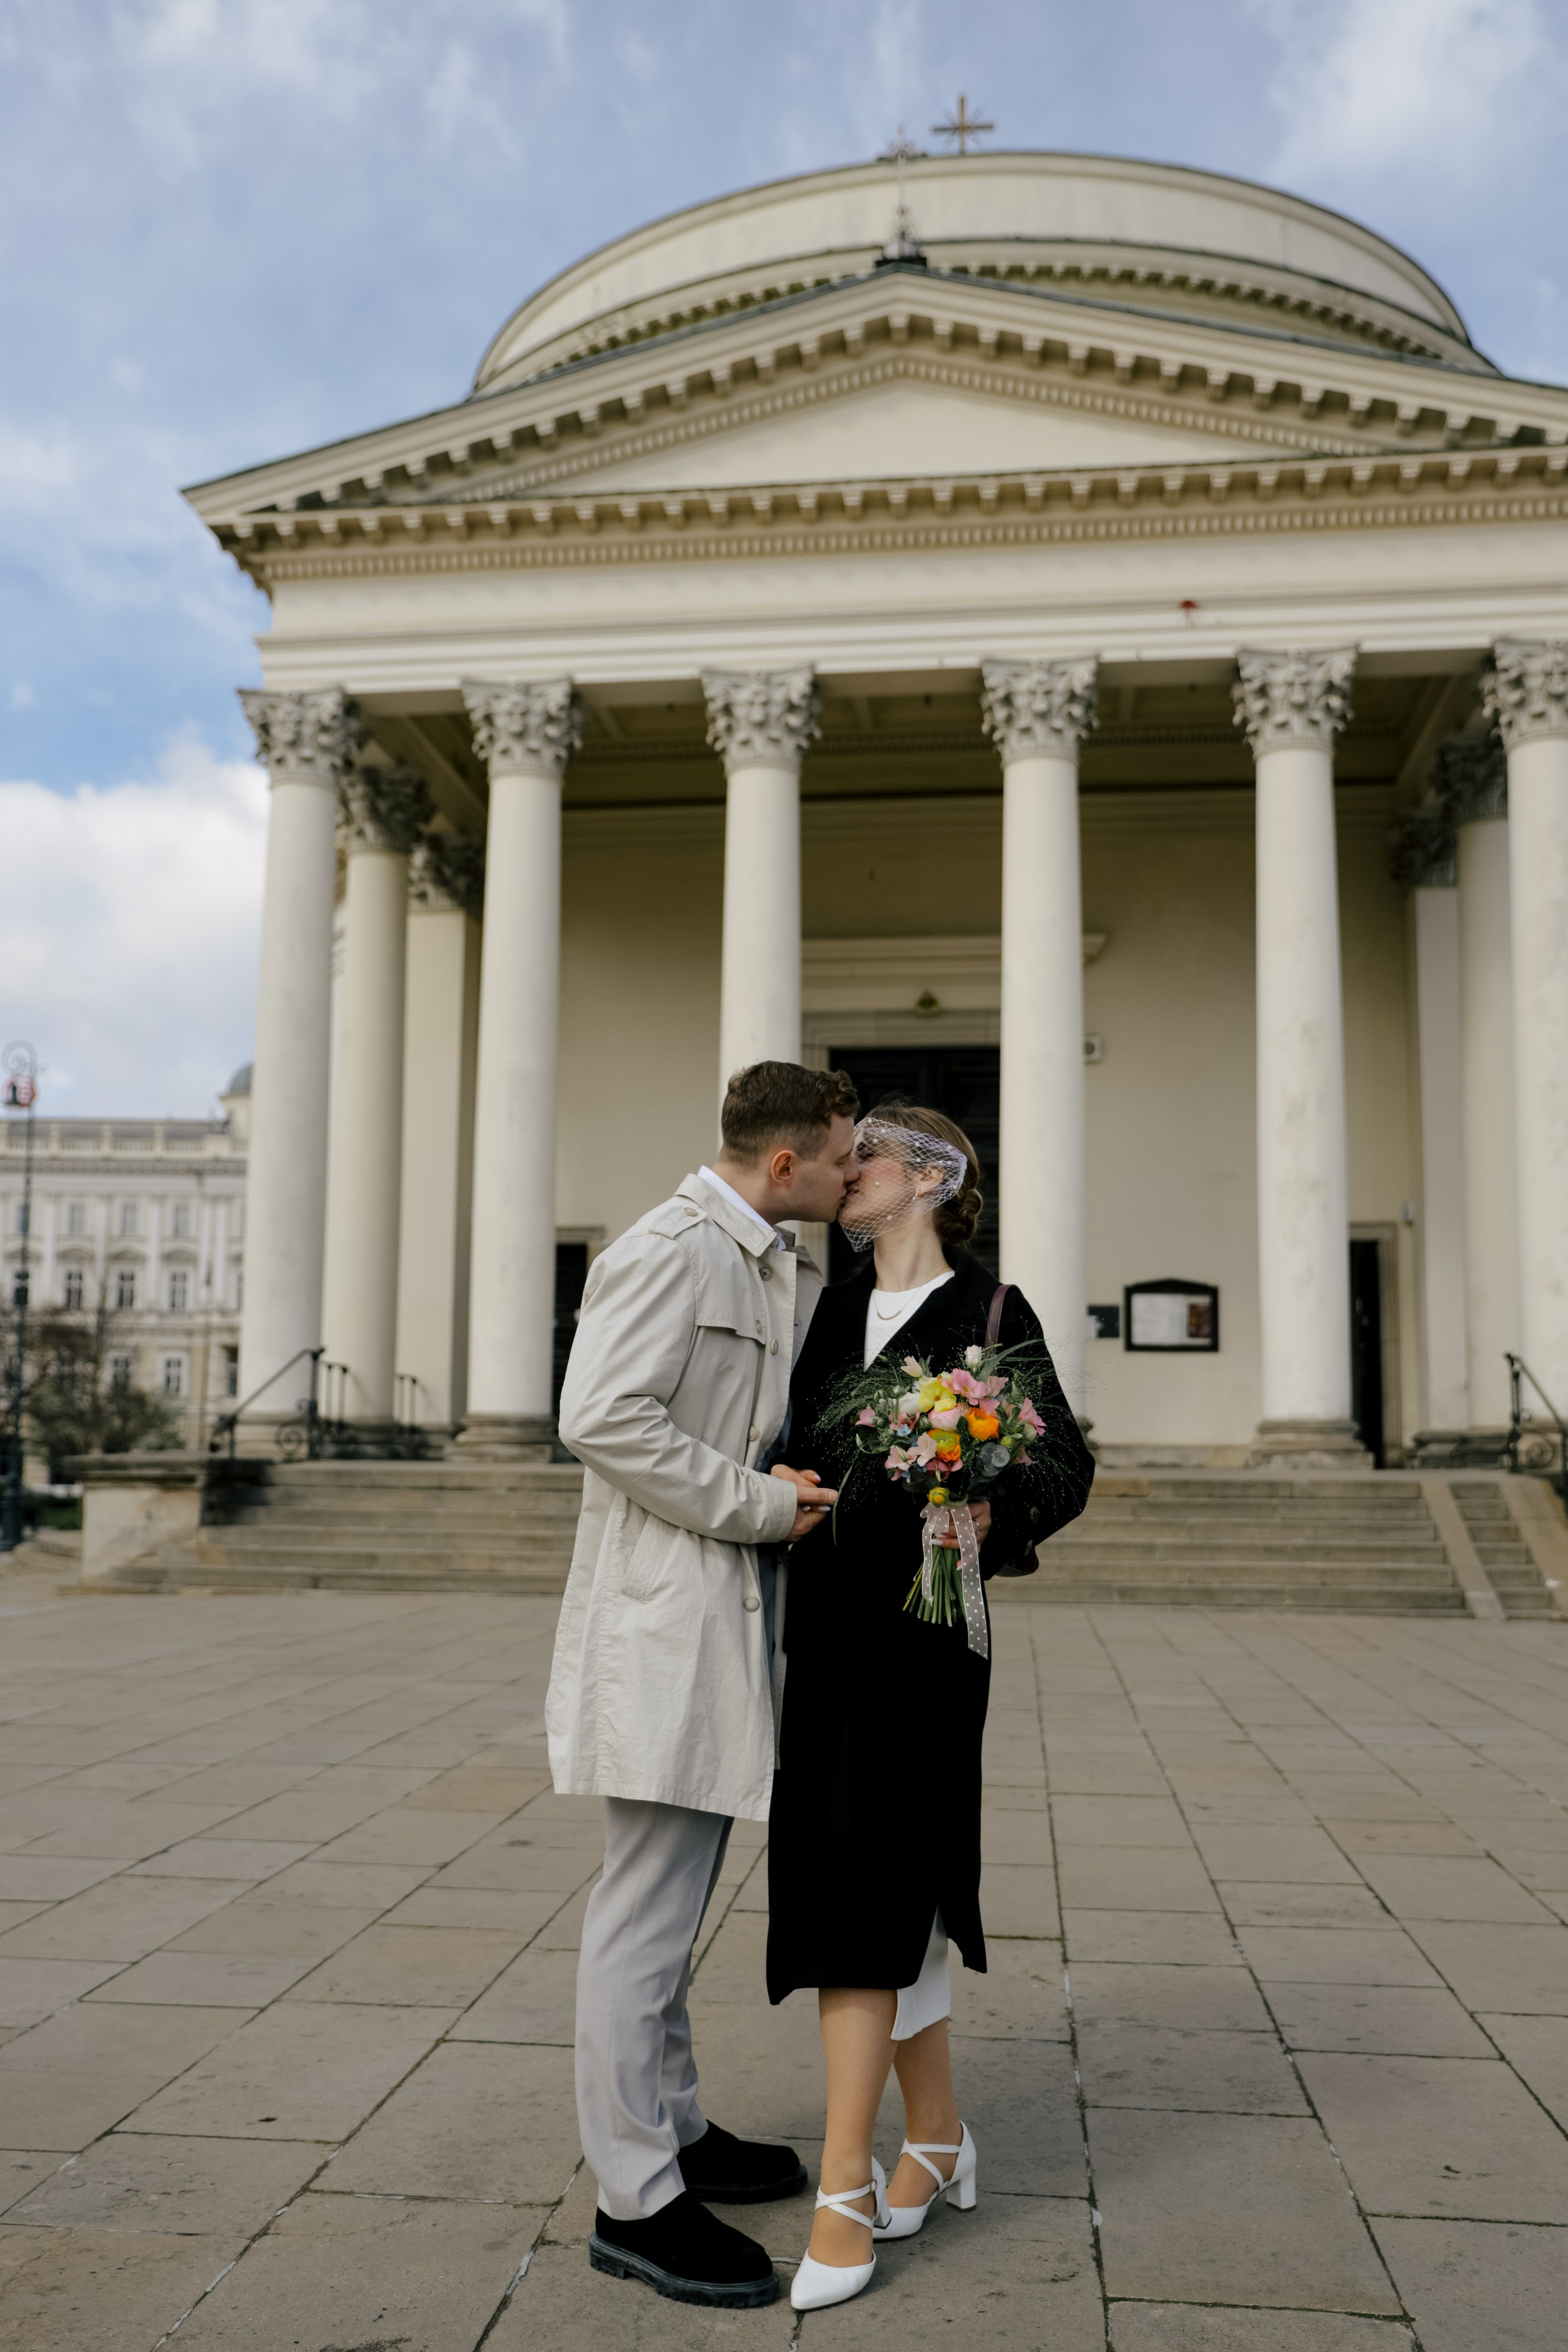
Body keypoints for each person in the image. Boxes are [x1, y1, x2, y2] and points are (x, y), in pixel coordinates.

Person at [767, 1103, 1095, 2312]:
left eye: (864, 1160)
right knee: (875, 1880)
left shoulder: (989, 1315)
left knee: (860, 1882)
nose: (842, 1175)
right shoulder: (833, 1307)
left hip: (925, 1638)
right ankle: (939, 2134)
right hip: (823, 1631)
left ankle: (842, 2189)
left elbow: (1063, 1465)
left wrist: (991, 1510)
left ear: (925, 1179)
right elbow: (798, 1439)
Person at [546, 1059, 860, 2311]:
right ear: (783, 1165)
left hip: (715, 1613)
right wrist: (759, 1503)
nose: (852, 1174)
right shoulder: (671, 1249)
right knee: (644, 1909)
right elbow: (600, 1415)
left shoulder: (759, 1258)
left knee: (676, 1902)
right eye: (839, 1156)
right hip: (663, 1617)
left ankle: (673, 2129)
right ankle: (635, 2199)